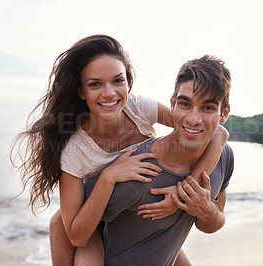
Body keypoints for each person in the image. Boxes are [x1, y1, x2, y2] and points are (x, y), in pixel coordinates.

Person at [10, 35, 229, 265]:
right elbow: (76, 233)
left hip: (134, 218)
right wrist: (109, 175)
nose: (109, 93)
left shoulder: (139, 109)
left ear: (128, 83)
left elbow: (216, 133)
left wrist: (179, 194)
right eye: (95, 84)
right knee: (61, 227)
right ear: (81, 91)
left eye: (117, 81)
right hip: (96, 220)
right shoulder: (75, 150)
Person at [82, 54, 234, 265]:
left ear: (224, 113)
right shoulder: (137, 171)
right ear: (172, 104)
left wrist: (205, 209)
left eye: (208, 108)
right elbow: (66, 225)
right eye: (185, 104)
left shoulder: (224, 156)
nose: (193, 118)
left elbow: (212, 223)